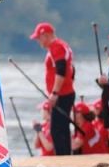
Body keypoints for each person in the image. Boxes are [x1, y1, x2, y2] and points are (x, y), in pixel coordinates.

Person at [30, 22, 76, 155]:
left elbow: (61, 70)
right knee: (61, 128)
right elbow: (71, 70)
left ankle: (63, 158)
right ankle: (65, 156)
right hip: (65, 92)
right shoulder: (60, 46)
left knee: (57, 129)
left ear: (46, 35)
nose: (38, 41)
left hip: (62, 94)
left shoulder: (57, 47)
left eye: (39, 38)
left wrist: (55, 93)